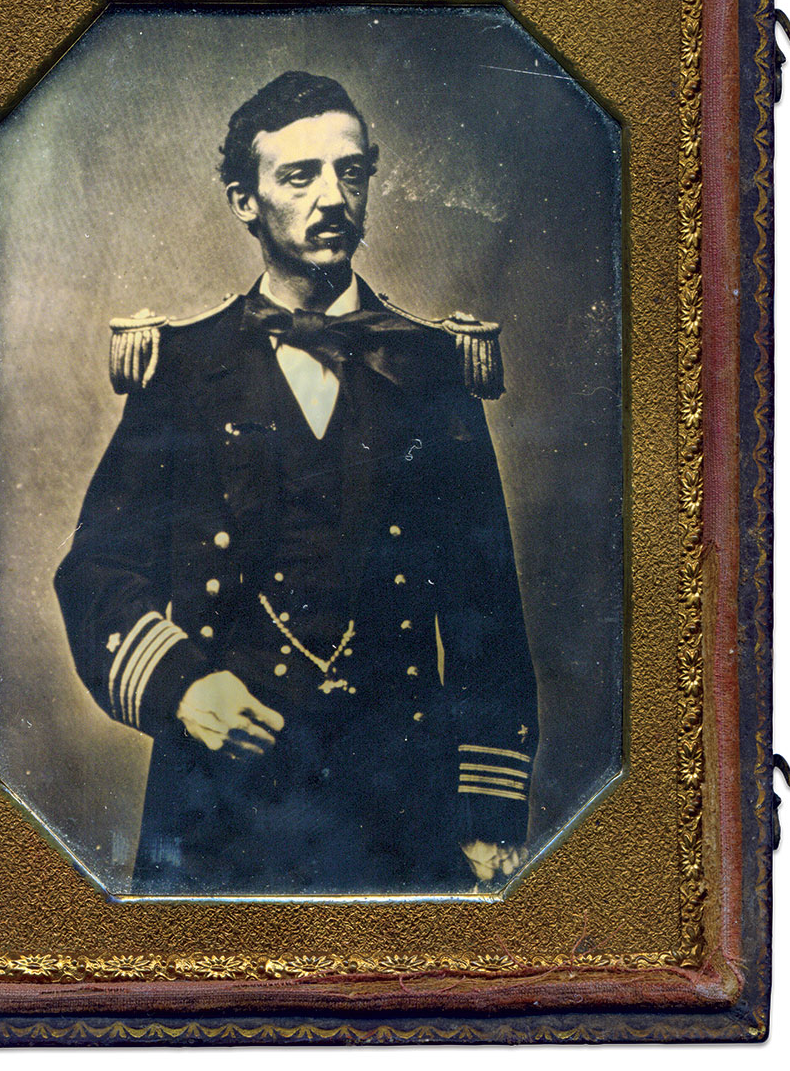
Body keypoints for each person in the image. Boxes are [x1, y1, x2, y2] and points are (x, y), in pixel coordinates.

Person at [55, 71, 538, 894]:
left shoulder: (432, 370)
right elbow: (97, 569)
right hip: (217, 813)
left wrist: (488, 817)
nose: (332, 199)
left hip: (398, 807)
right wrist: (182, 687)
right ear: (245, 201)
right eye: (300, 176)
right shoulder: (183, 369)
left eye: (350, 172)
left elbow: (484, 607)